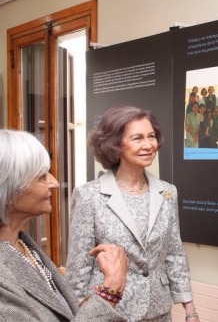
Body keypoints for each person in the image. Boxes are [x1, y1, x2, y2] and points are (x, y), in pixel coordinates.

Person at [66, 106, 200, 322]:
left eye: (151, 137)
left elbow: (174, 254)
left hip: (159, 312)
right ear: (115, 144)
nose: (148, 145)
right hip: (111, 313)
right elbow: (78, 267)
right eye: (137, 138)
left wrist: (190, 310)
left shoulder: (167, 192)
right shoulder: (89, 195)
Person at [0, 129, 129, 321]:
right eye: (42, 176)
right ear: (8, 188)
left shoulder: (24, 245)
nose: (55, 183)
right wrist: (110, 290)